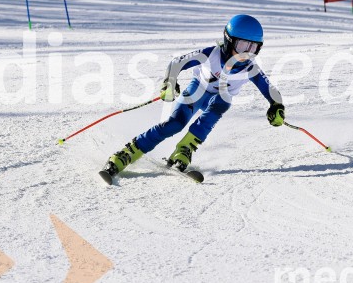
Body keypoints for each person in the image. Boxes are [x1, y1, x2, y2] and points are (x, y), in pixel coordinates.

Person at [101, 14, 284, 179]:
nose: (246, 53)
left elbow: (271, 90)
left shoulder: (250, 68)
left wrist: (276, 106)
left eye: (253, 47)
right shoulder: (209, 54)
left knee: (220, 103)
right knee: (175, 124)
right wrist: (169, 83)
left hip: (219, 98)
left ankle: (184, 150)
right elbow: (177, 63)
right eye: (242, 45)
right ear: (228, 40)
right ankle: (127, 153)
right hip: (197, 91)